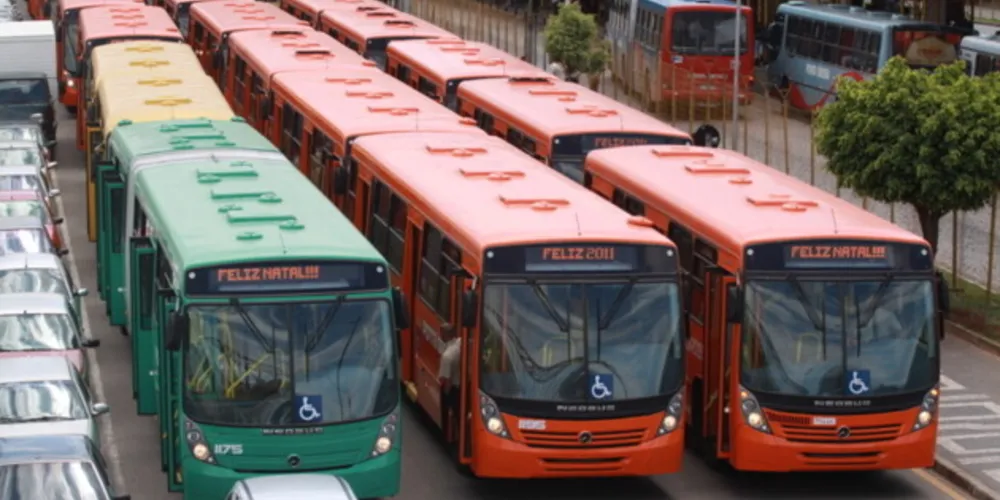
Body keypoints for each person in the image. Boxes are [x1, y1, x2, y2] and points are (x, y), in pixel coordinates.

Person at [438, 323, 461, 442]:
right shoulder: (460, 344)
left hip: (453, 389)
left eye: (441, 333)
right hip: (462, 386)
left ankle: (446, 437)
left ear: (445, 335)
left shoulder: (447, 356)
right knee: (459, 414)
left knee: (448, 412)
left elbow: (446, 380)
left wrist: (446, 394)